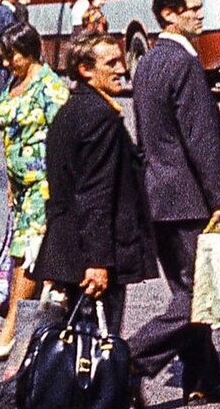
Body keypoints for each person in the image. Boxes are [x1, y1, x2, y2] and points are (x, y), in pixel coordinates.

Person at [128, 0, 220, 407]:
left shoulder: (150, 62)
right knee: (198, 296)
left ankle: (203, 378)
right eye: (191, 9)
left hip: (157, 195)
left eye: (199, 7)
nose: (200, 14)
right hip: (187, 197)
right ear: (169, 14)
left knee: (187, 290)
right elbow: (200, 139)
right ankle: (129, 359)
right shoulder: (185, 65)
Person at [35, 33, 157, 333]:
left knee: (74, 343)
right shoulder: (100, 116)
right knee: (94, 348)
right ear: (85, 70)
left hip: (68, 247)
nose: (121, 69)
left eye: (120, 61)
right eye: (111, 63)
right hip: (89, 254)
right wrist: (98, 262)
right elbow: (95, 194)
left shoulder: (73, 109)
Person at [0, 22, 68, 360]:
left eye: (12, 57)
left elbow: (64, 139)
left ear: (30, 51)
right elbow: (10, 137)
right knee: (27, 255)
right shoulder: (15, 83)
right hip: (20, 188)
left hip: (44, 185)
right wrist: (9, 180)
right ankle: (29, 326)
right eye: (3, 58)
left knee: (25, 256)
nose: (7, 64)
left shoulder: (51, 88)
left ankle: (11, 329)